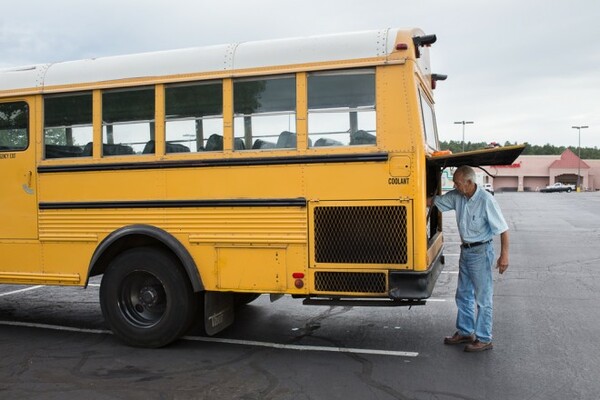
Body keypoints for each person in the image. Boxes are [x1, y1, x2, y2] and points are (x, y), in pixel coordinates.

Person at [427, 165, 509, 352]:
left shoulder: (486, 200)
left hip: (481, 251)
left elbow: (503, 229)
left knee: (482, 297)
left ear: (469, 182)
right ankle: (465, 331)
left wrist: (504, 256)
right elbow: (434, 201)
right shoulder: (458, 196)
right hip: (466, 251)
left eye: (457, 183)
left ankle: (484, 338)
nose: (454, 186)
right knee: (463, 294)